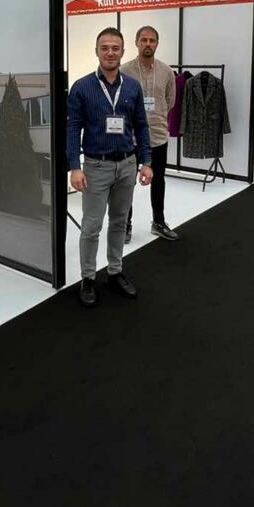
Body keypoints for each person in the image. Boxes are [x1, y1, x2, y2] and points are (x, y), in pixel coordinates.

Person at [68, 27, 153, 308]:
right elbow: (72, 129)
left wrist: (147, 161)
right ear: (96, 51)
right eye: (104, 47)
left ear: (123, 52)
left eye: (115, 48)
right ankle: (88, 278)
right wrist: (74, 167)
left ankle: (115, 272)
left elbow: (141, 125)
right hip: (96, 166)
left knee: (119, 221)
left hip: (127, 164)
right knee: (91, 226)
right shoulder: (81, 87)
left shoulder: (132, 87)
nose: (110, 52)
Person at [121, 25, 179, 242]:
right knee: (127, 183)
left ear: (157, 44)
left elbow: (170, 101)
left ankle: (158, 222)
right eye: (144, 40)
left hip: (157, 136)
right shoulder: (124, 71)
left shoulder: (166, 72)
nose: (148, 44)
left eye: (152, 40)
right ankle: (125, 225)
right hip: (130, 138)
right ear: (136, 43)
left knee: (159, 180)